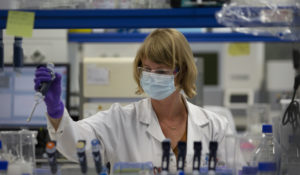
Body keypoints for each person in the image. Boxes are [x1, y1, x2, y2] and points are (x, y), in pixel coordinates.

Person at [34, 28, 233, 173]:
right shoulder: (119, 120)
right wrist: (56, 110)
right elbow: (75, 146)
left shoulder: (215, 127)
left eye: (161, 71)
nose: (152, 76)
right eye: (146, 70)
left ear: (182, 73)